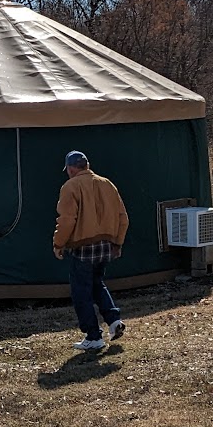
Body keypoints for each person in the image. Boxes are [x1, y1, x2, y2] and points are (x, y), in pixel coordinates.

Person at [52, 150, 129, 351]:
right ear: (87, 165)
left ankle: (93, 336)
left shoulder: (70, 187)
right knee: (97, 283)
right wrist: (117, 243)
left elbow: (67, 220)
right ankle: (114, 321)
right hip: (105, 245)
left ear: (70, 168)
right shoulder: (107, 184)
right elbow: (123, 217)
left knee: (81, 292)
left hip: (83, 247)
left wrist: (58, 244)